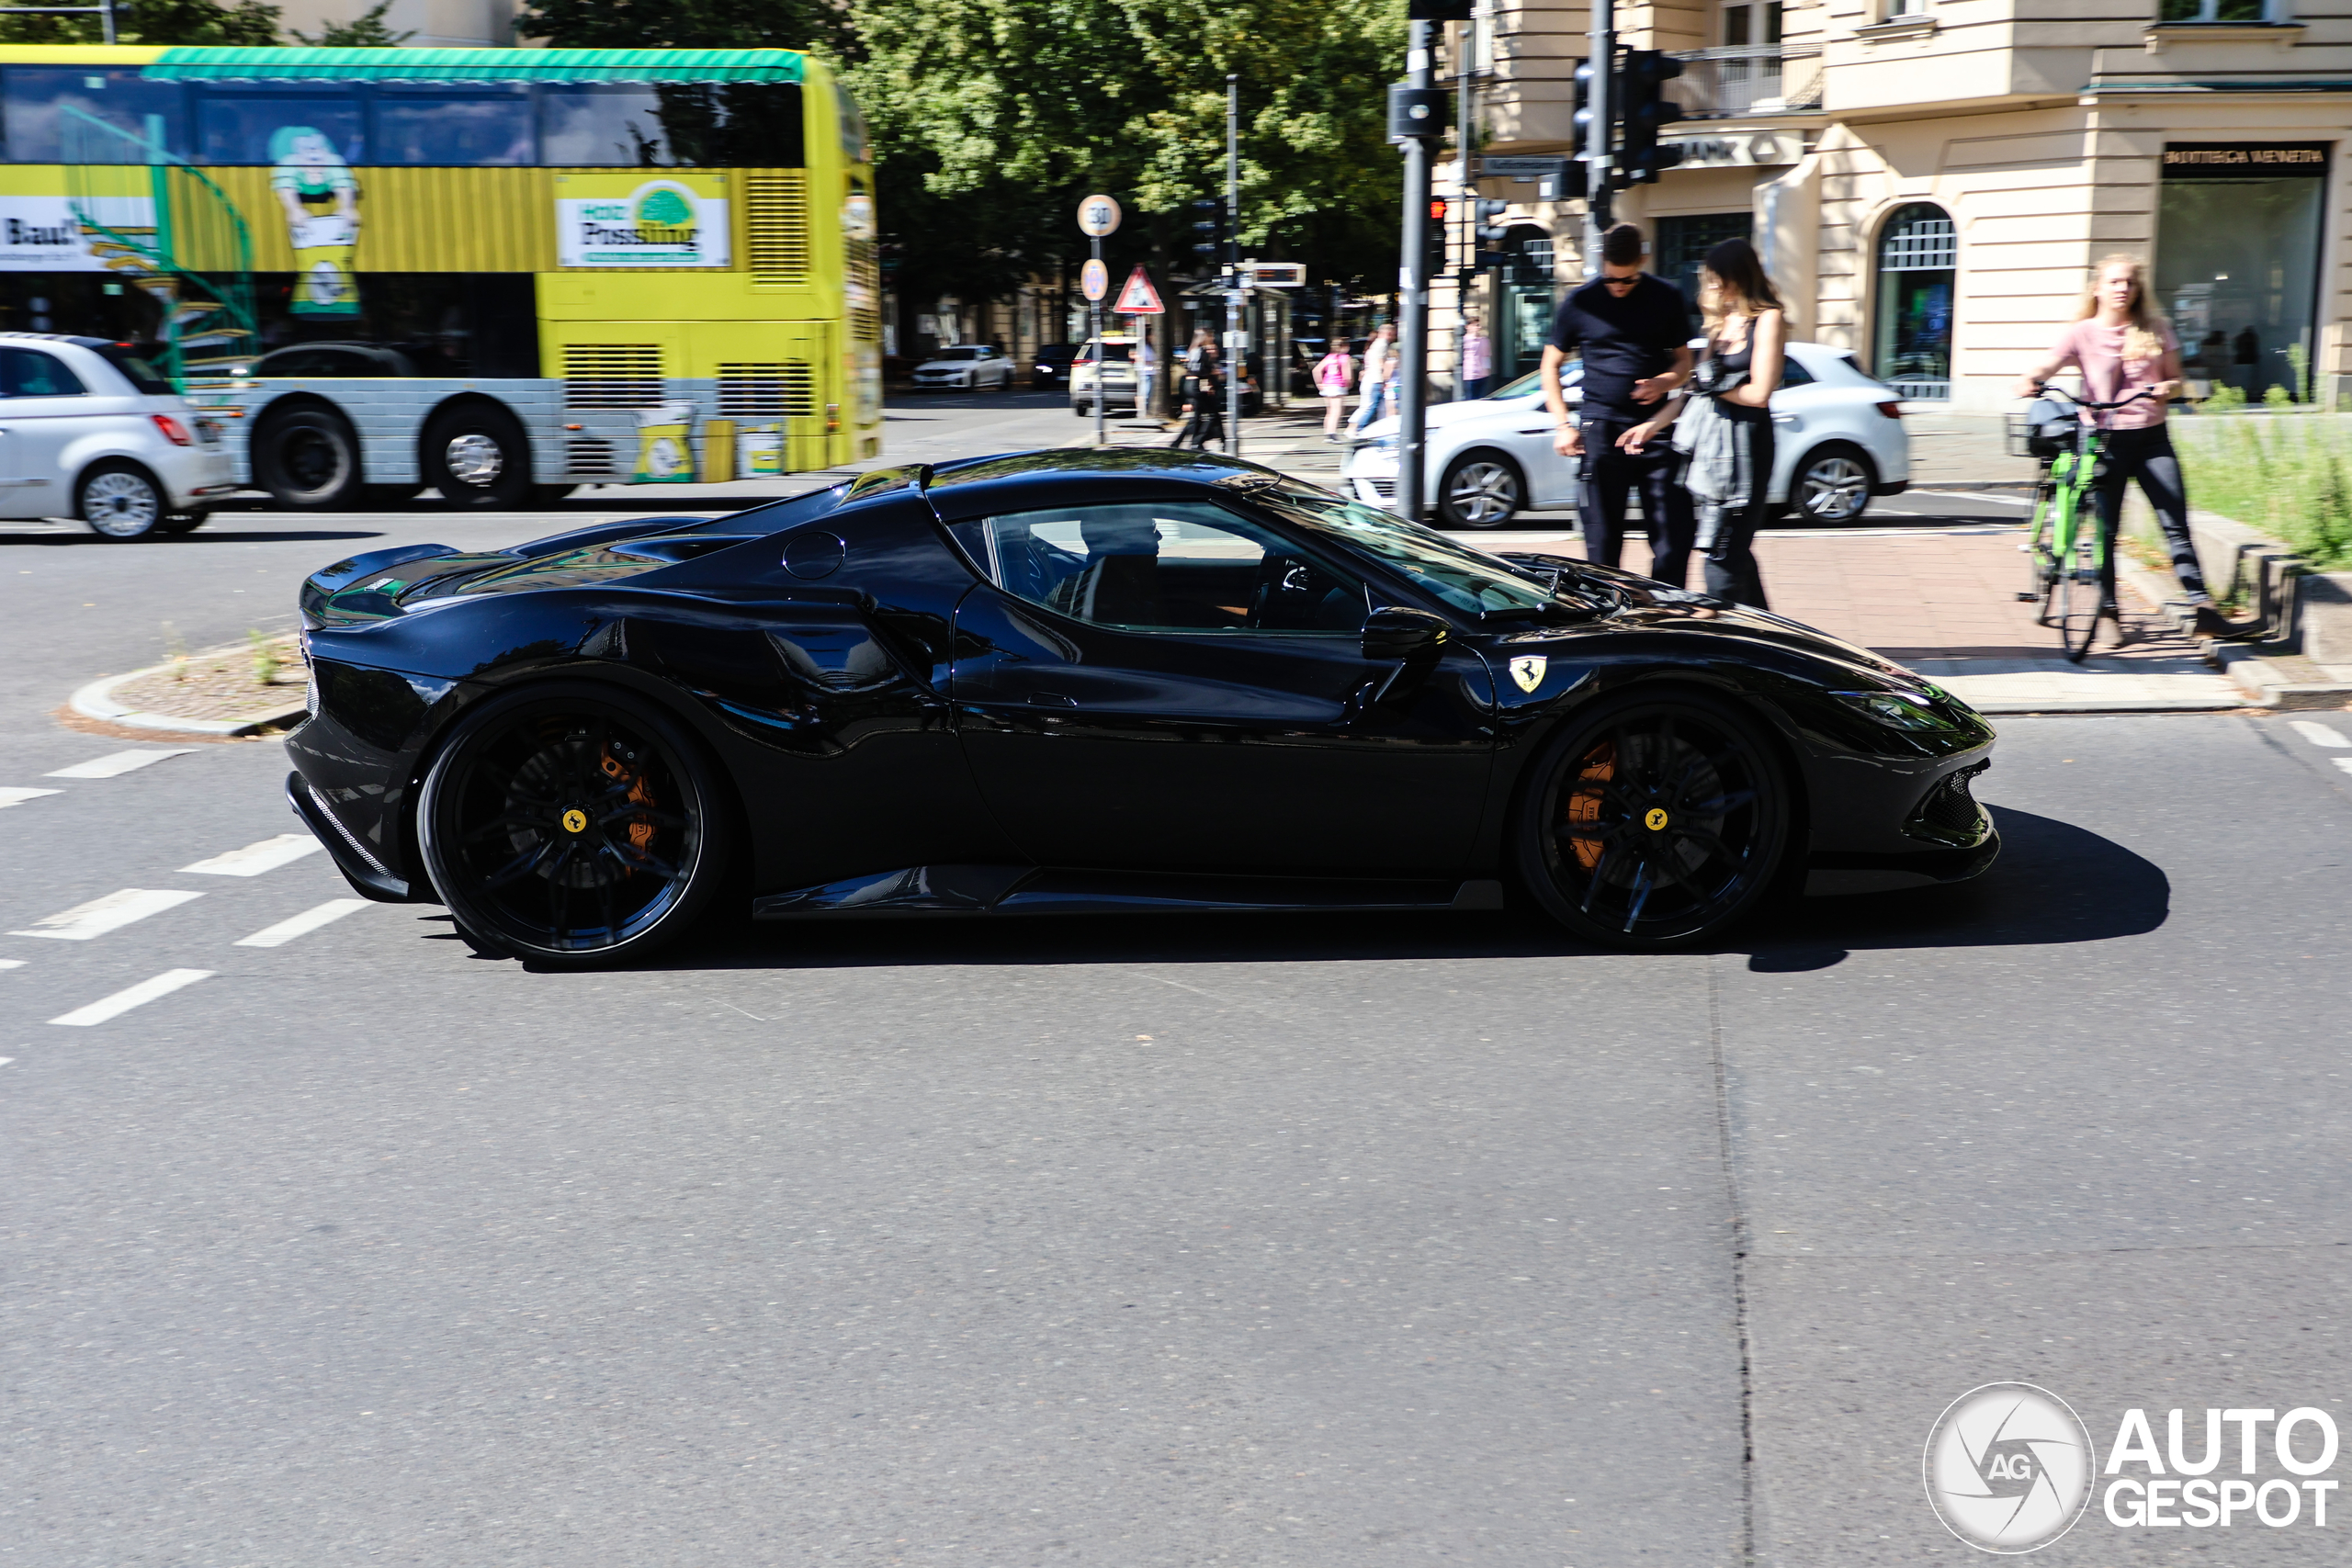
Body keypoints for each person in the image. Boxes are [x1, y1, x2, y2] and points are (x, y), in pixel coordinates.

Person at [2011, 253, 2240, 641]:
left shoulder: (2156, 328)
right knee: (2106, 531)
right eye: (2114, 282)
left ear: (2138, 289)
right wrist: (2030, 379)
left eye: (2129, 282)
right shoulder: (2081, 333)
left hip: (2152, 439)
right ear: (2098, 288)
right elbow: (2048, 366)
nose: (2122, 289)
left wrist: (2166, 388)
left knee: (2175, 522)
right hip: (2103, 442)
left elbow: (2177, 381)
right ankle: (2109, 610)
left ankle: (2203, 609)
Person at [1631, 237, 1783, 608]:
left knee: (1723, 553)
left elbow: (1759, 393)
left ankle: (1721, 639)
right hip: (1712, 451)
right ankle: (1771, 637)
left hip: (1746, 448)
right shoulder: (1719, 327)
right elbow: (1692, 394)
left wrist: (1713, 384)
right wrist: (1651, 426)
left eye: (1720, 280)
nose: (1714, 288)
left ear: (1740, 277)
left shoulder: (1768, 319)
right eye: (1710, 281)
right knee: (1733, 551)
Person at [1540, 222, 1695, 584]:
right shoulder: (1580, 301)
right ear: (1601, 262)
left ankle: (1666, 614)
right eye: (1612, 280)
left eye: (1628, 280)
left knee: (1674, 536)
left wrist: (1664, 382)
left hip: (1657, 429)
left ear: (1643, 261)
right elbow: (1549, 366)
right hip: (1601, 429)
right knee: (1603, 542)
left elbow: (1685, 363)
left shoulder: (1665, 296)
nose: (1620, 288)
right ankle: (1609, 622)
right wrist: (1563, 425)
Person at [1169, 344, 1226, 451]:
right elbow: (1200, 378)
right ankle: (1196, 443)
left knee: (1199, 419)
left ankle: (1185, 443)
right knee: (1206, 418)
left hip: (1205, 392)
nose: (1212, 351)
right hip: (1200, 391)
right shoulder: (1203, 361)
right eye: (1209, 349)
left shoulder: (1212, 362)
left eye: (1214, 348)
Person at [1352, 324, 1396, 431]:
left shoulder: (1374, 344)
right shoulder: (1383, 344)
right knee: (1369, 407)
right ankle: (1355, 429)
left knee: (1375, 407)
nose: (1395, 337)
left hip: (1370, 378)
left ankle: (1358, 428)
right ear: (1389, 333)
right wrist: (1386, 378)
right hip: (1376, 379)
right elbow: (1381, 362)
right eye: (1394, 334)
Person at [1314, 340, 1354, 439]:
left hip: (1327, 385)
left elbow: (1316, 370)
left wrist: (1319, 383)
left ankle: (1327, 432)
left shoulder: (1329, 357)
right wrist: (1349, 383)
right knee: (1337, 411)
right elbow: (1347, 375)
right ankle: (1332, 434)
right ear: (1344, 346)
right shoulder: (1345, 358)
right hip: (1338, 385)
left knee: (1329, 411)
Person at [1459, 313, 1491, 400]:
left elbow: (1487, 356)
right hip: (1469, 375)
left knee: (1480, 399)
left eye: (1478, 325)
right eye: (1475, 325)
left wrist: (1487, 371)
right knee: (1470, 399)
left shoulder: (1484, 340)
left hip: (1482, 375)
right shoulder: (1463, 341)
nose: (1478, 328)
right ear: (1467, 326)